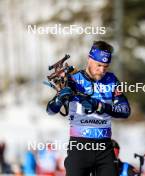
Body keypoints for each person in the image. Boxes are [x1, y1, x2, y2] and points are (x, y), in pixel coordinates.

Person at [46, 41, 131, 176]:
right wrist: (59, 99)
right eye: (99, 65)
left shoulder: (112, 80)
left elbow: (125, 111)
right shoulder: (73, 80)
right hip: (79, 146)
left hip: (104, 147)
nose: (102, 70)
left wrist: (100, 106)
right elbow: (50, 111)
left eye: (106, 66)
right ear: (89, 59)